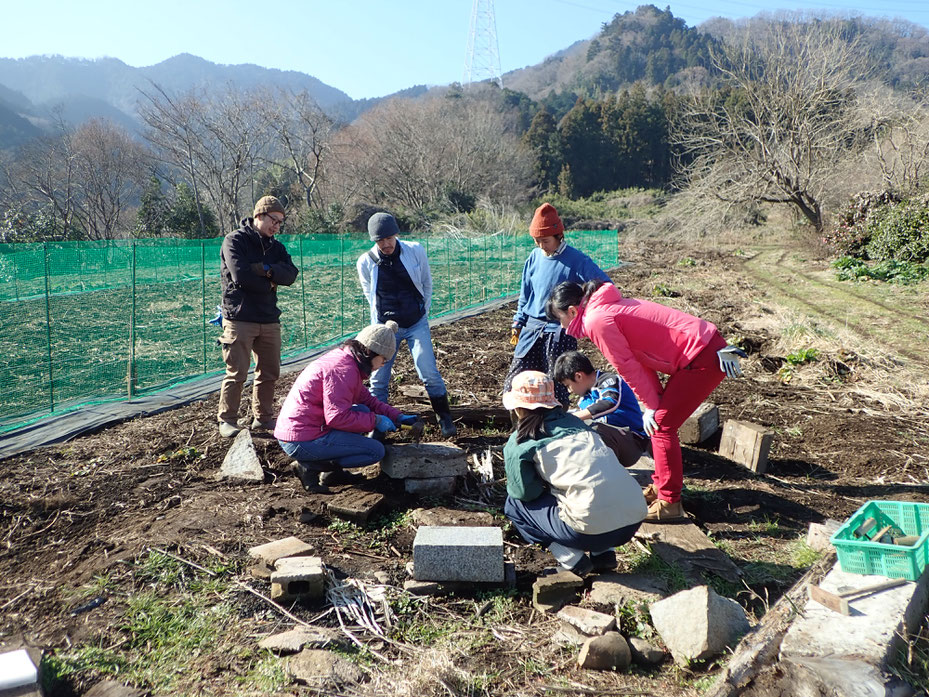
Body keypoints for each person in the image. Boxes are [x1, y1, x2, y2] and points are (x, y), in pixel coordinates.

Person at [546, 280, 747, 522]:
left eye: (560, 319)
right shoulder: (602, 310)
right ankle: (660, 487)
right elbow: (641, 362)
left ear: (572, 311)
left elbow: (628, 367)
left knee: (662, 426)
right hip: (700, 349)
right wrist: (653, 401)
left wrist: (652, 406)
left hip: (701, 356)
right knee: (659, 422)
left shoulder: (596, 320)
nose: (564, 327)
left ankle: (669, 502)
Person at [502, 371, 647, 576]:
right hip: (633, 519)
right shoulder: (580, 423)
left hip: (588, 530)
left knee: (514, 505)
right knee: (592, 487)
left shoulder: (520, 442)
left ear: (518, 407)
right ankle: (604, 555)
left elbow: (525, 493)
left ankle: (573, 559)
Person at [274, 320, 418, 494]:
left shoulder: (348, 360)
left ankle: (333, 475)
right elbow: (337, 418)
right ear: (371, 352)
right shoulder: (343, 371)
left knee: (363, 410)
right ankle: (309, 466)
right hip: (301, 439)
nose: (382, 365)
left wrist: (397, 416)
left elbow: (368, 401)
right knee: (375, 451)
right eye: (383, 360)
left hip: (308, 427)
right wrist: (376, 420)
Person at [356, 212, 456, 437]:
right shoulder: (366, 262)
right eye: (380, 240)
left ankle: (445, 420)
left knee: (428, 370)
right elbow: (370, 297)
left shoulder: (415, 250)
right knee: (378, 379)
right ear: (374, 241)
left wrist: (422, 311)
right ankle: (378, 427)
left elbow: (427, 283)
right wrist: (381, 326)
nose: (386, 244)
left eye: (389, 238)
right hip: (383, 328)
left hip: (415, 322)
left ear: (397, 235)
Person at [505, 203, 611, 409]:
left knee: (557, 385)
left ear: (558, 236)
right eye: (536, 241)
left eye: (545, 240)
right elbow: (525, 292)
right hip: (532, 328)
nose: (540, 245)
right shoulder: (534, 257)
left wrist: (584, 312)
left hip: (559, 331)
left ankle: (558, 430)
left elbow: (604, 285)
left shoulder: (576, 260)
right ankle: (523, 427)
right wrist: (519, 320)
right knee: (517, 381)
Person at [217, 196, 299, 438]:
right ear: (260, 216)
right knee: (237, 372)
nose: (277, 227)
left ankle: (263, 419)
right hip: (240, 317)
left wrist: (267, 270)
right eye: (274, 220)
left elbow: (291, 274)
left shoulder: (277, 247)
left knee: (269, 372)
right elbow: (241, 276)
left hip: (269, 318)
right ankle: (227, 419)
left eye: (281, 223)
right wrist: (271, 282)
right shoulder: (235, 241)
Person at [552, 350, 650, 467]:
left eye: (568, 385)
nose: (569, 390)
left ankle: (609, 472)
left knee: (595, 428)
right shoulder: (584, 400)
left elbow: (609, 402)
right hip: (613, 444)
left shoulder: (610, 380)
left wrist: (573, 417)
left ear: (578, 376)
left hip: (633, 442)